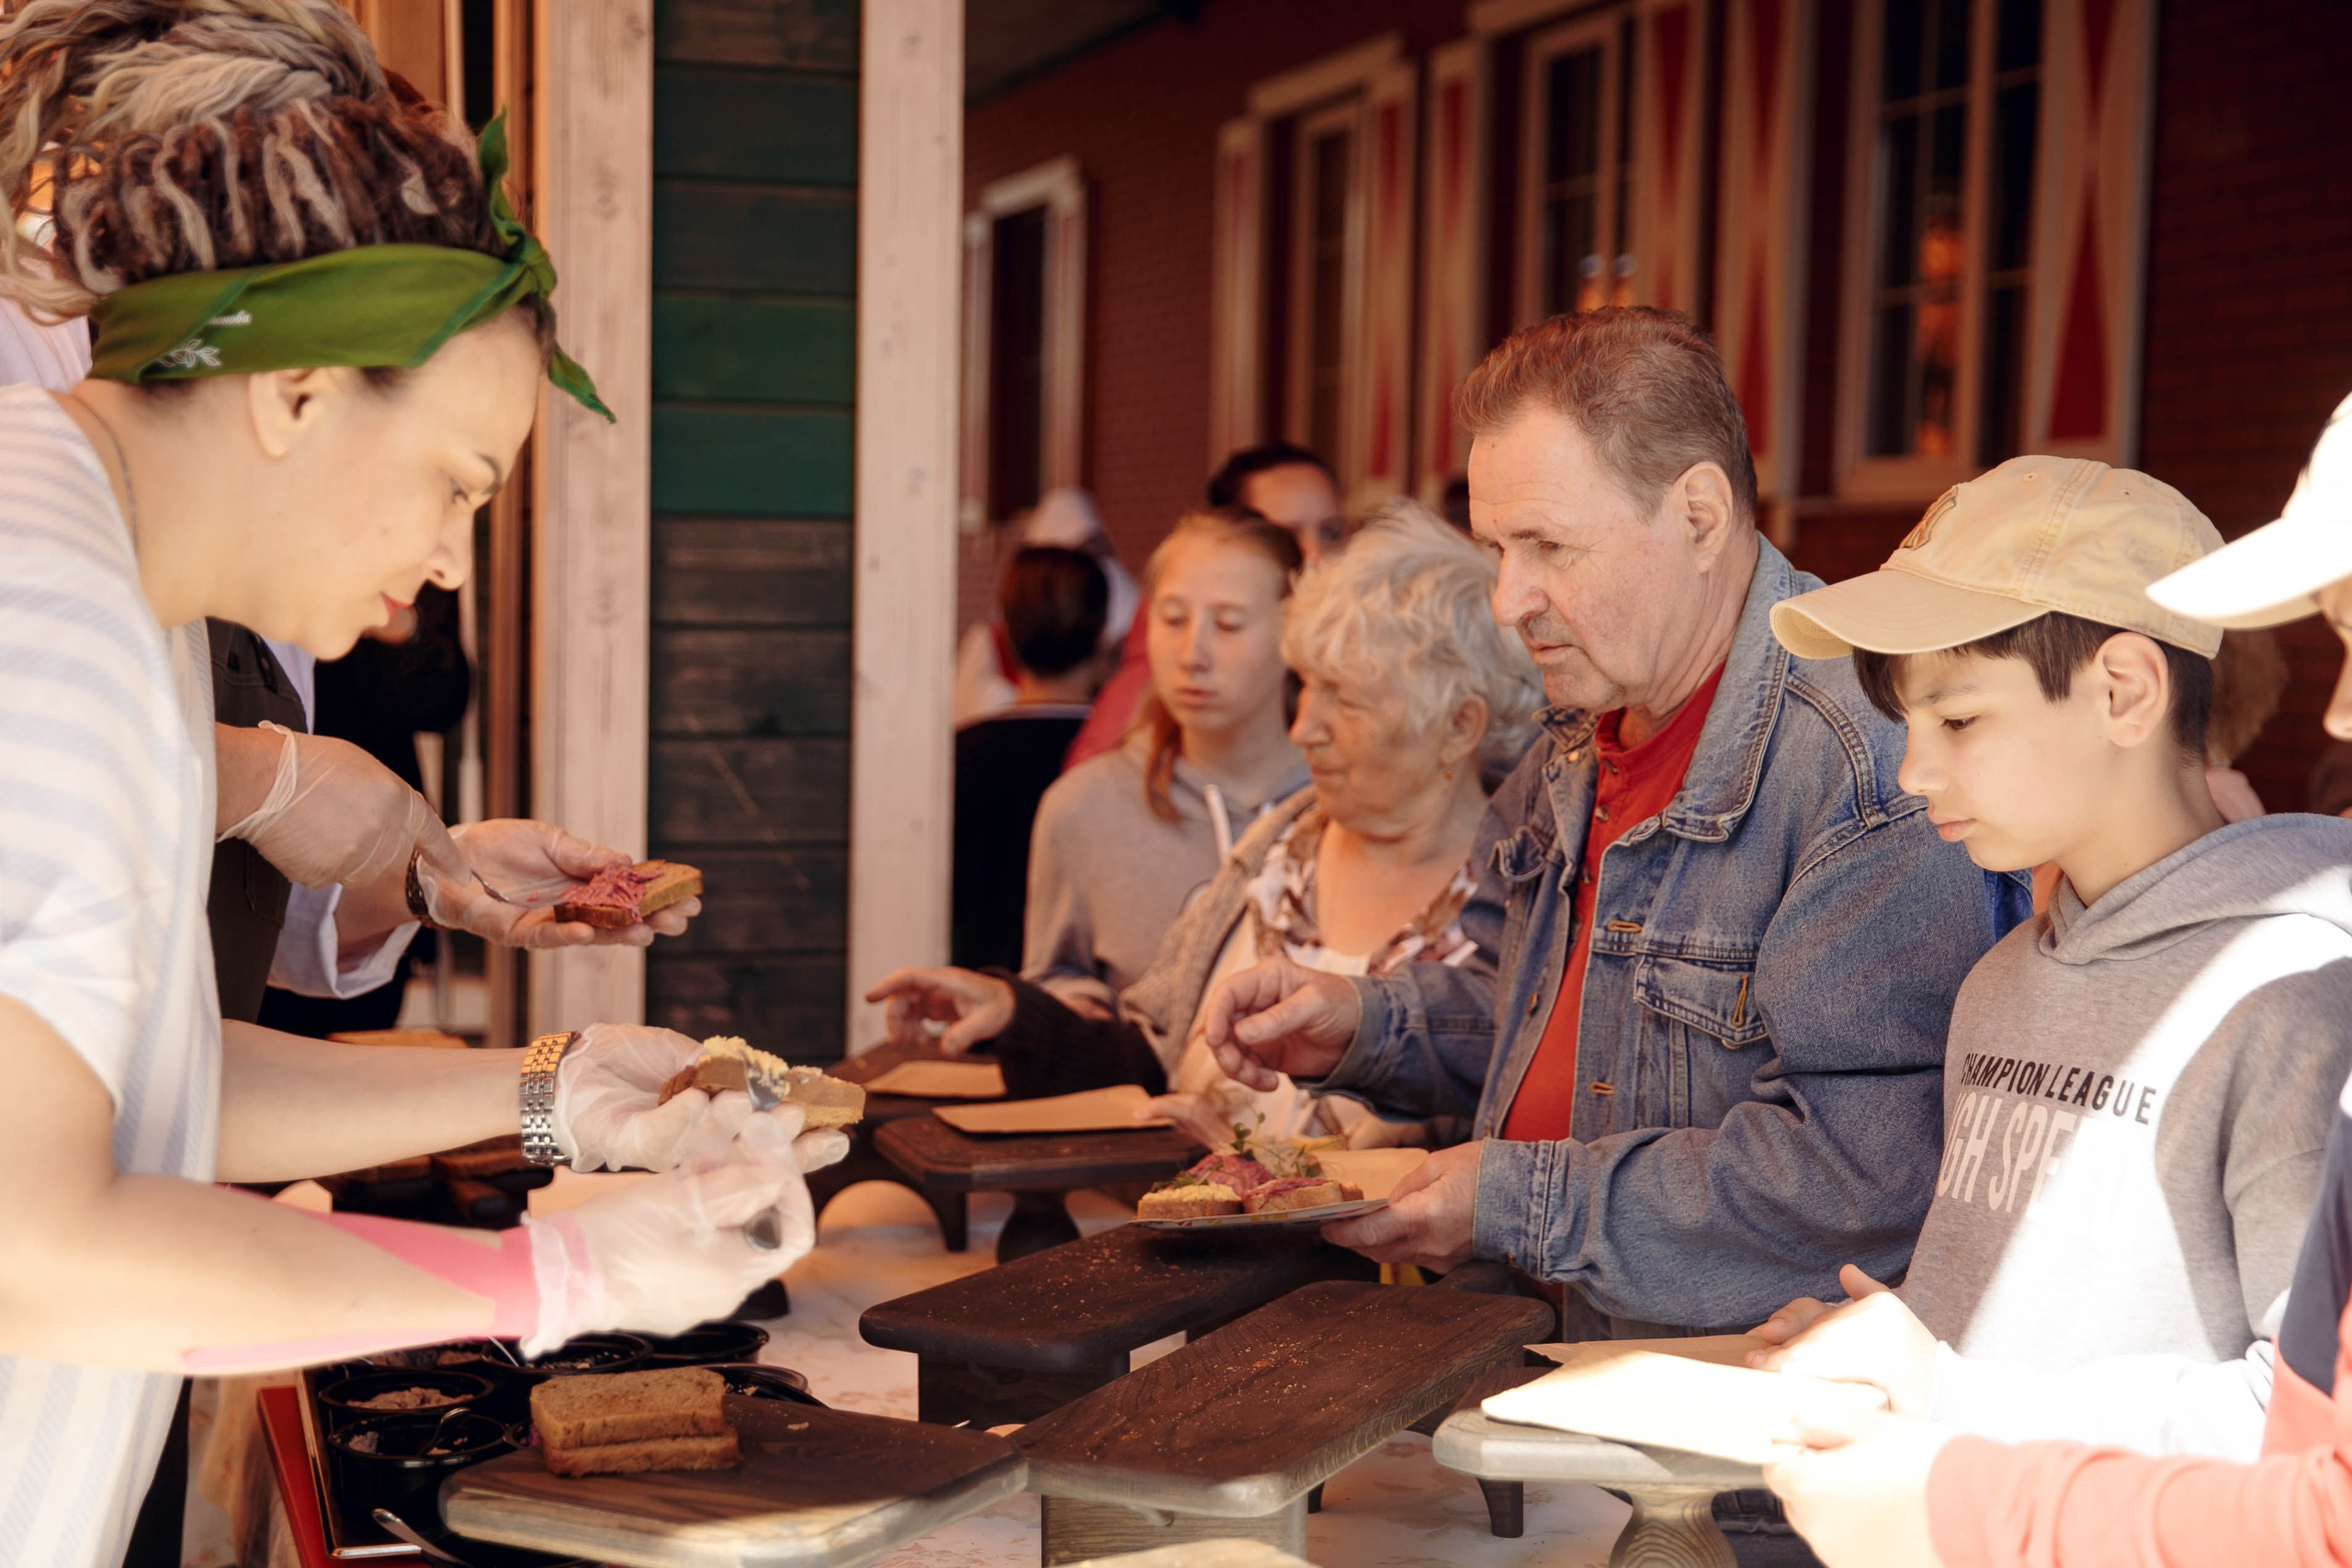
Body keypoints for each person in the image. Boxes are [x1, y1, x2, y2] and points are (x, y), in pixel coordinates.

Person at [0, 8, 827, 1561]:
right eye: (459, 483)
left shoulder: (124, 594)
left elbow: (149, 1079)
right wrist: (557, 1284)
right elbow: (32, 1244)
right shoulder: (43, 635)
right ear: (298, 390)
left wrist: (547, 1091)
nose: (450, 560)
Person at [1203, 310, 2027, 1341]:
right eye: (1498, 547)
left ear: (1697, 515)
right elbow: (1534, 1010)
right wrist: (1364, 1022)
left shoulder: (1866, 764)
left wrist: (1513, 1202)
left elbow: (1854, 1178)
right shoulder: (1586, 720)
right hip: (1535, 1370)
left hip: (1713, 1446)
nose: (1509, 599)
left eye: (1548, 545)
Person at [1760, 392, 2352, 1568]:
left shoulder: (2294, 994)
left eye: (1959, 716)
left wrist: (1948, 1398)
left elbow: (2294, 1442)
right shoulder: (1996, 982)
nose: (1915, 768)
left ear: (2127, 692)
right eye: (1904, 720)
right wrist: (1888, 1357)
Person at [869, 502, 1542, 1149]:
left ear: (1460, 726)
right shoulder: (1278, 844)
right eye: (1307, 684)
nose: (1304, 726)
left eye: (1346, 698)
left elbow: (1482, 1175)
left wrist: (1254, 1173)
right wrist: (1016, 1013)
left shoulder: (1523, 911)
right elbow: (1147, 1058)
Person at [1023, 507, 1310, 1014]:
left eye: (1228, 624)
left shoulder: (1345, 801)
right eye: (1172, 618)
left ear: (1295, 633)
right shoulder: (1084, 805)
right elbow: (1052, 978)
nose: (1191, 653)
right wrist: (1072, 1012)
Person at [1065, 443, 1345, 771]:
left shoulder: (1357, 666)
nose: (1315, 557)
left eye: (1331, 533)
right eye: (1283, 537)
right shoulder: (1150, 686)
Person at [953, 546, 1109, 970]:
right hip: (1089, 995)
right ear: (1103, 636)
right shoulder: (1122, 756)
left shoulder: (960, 756)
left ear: (1002, 638)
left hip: (982, 984)